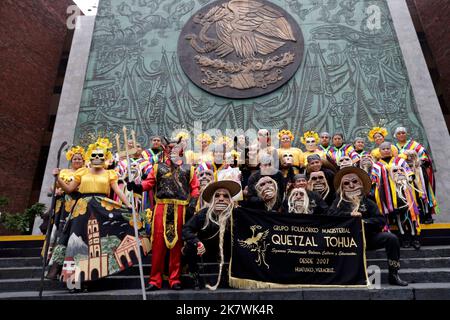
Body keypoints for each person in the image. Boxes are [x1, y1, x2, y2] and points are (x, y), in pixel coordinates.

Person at [53, 138, 148, 291]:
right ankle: (73, 283)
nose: (97, 158)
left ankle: (92, 280)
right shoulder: (82, 171)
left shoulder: (110, 173)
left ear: (105, 158)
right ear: (90, 157)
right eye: (94, 156)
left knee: (98, 245)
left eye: (100, 156)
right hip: (81, 210)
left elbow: (117, 191)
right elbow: (69, 189)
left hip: (102, 209)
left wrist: (130, 206)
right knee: (75, 245)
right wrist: (58, 178)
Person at [127, 137, 200, 291]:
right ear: (166, 150)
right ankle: (155, 280)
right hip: (161, 208)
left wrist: (192, 205)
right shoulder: (157, 167)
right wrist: (137, 186)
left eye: (175, 148)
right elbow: (149, 184)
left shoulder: (189, 169)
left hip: (180, 209)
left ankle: (174, 279)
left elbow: (195, 188)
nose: (172, 151)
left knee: (177, 245)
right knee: (158, 245)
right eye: (170, 148)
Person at [328, 166, 408, 286]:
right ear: (342, 187)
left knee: (391, 238)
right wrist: (349, 216)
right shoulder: (337, 203)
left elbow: (380, 220)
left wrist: (363, 222)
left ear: (360, 183)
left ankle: (394, 274)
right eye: (346, 183)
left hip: (368, 239)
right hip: (346, 241)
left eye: (354, 182)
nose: (351, 185)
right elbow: (330, 217)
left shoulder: (369, 202)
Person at [182, 180, 241, 290]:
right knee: (189, 247)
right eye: (217, 195)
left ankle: (235, 275)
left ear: (230, 200)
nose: (221, 199)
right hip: (205, 251)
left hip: (228, 252)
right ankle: (195, 277)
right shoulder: (204, 213)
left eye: (225, 196)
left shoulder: (237, 214)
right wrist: (197, 242)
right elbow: (186, 229)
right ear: (213, 199)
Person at [45, 145, 85, 280]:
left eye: (80, 159)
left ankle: (66, 265)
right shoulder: (63, 172)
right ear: (71, 160)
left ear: (84, 161)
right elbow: (51, 189)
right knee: (57, 234)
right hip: (61, 207)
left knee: (71, 235)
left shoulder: (85, 173)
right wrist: (55, 190)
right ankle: (52, 262)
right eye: (75, 158)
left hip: (77, 205)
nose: (77, 161)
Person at [371, 142, 420, 249]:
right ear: (379, 151)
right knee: (397, 215)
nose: (386, 150)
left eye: (388, 148)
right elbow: (374, 179)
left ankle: (414, 237)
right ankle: (404, 238)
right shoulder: (377, 165)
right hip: (387, 195)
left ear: (391, 149)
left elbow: (408, 172)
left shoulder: (400, 160)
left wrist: (409, 178)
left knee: (409, 214)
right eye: (383, 149)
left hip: (403, 192)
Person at [394, 126, 438, 223]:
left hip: (418, 173)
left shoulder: (415, 145)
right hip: (403, 175)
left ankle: (426, 216)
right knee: (407, 194)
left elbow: (425, 157)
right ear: (395, 136)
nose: (401, 135)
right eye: (399, 133)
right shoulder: (394, 147)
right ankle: (412, 217)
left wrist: (416, 161)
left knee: (421, 193)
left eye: (403, 133)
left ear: (406, 134)